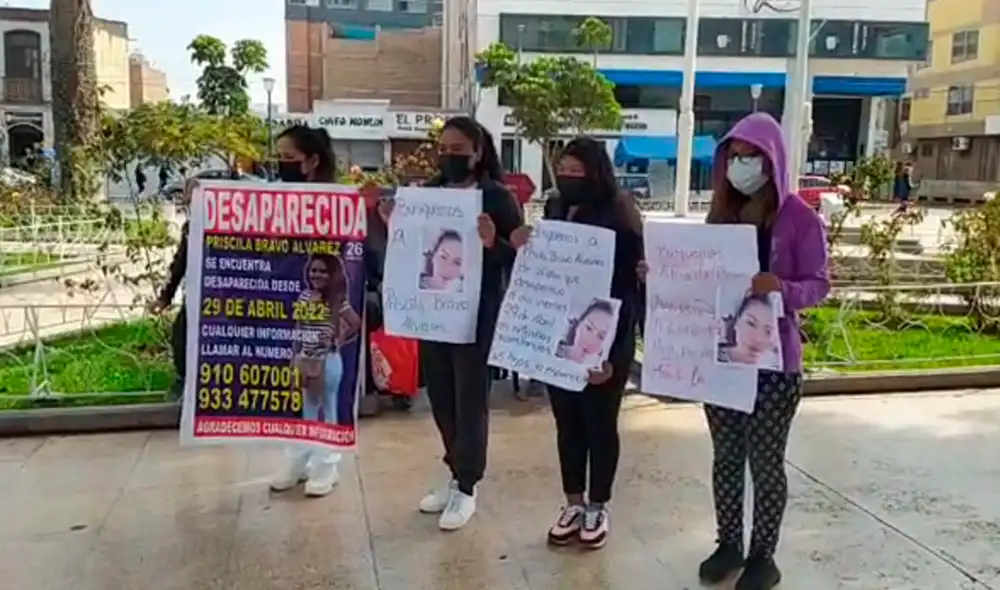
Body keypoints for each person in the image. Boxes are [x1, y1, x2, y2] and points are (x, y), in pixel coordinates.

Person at [678, 112, 829, 590]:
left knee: (765, 463)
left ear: (774, 159)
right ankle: (729, 544)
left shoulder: (800, 219)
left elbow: (820, 284)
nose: (742, 166)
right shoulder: (720, 216)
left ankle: (764, 554)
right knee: (725, 457)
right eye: (735, 157)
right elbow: (700, 281)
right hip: (724, 361)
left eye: (752, 157)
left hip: (774, 364)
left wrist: (780, 288)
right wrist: (662, 276)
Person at [388, 116, 521, 530]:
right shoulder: (426, 194)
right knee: (442, 398)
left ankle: (467, 485)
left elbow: (519, 258)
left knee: (470, 401)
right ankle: (454, 471)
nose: (449, 156)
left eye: (458, 150)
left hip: (476, 316)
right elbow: (406, 250)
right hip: (431, 315)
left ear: (478, 152)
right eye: (443, 149)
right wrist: (391, 222)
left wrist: (491, 242)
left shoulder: (497, 198)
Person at [510, 137, 643, 549]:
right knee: (567, 425)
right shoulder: (554, 209)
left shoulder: (620, 217)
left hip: (605, 341)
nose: (568, 178)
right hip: (558, 335)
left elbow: (628, 291)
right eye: (562, 169)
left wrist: (609, 352)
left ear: (595, 173)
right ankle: (572, 502)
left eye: (577, 171)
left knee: (599, 426)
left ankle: (598, 506)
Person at [267, 124, 356, 497]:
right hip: (295, 323)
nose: (281, 165)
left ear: (312, 161)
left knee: (328, 397)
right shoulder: (272, 199)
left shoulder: (337, 204)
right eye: (278, 158)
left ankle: (327, 463)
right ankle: (299, 455)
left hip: (325, 330)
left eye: (289, 159)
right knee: (303, 398)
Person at [290, 253, 361, 495]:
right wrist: (295, 358)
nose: (316, 275)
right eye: (313, 270)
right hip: (306, 360)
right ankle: (306, 461)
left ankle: (328, 466)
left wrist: (338, 338)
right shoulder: (304, 297)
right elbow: (299, 329)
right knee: (308, 411)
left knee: (328, 411)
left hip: (328, 361)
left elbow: (355, 322)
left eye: (322, 271)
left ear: (332, 275)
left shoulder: (337, 301)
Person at [147, 178, 198, 400]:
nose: (184, 201)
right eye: (186, 197)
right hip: (195, 299)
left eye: (190, 197)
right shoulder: (192, 227)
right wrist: (164, 298)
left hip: (225, 300)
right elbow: (179, 264)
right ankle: (184, 384)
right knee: (181, 337)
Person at [717, 293, 780, 367]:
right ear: (736, 322)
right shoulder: (711, 357)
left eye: (768, 331)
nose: (758, 339)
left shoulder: (773, 367)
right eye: (751, 323)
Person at [555, 298, 615, 366]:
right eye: (588, 328)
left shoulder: (598, 369)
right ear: (578, 324)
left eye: (601, 336)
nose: (590, 339)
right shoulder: (552, 349)